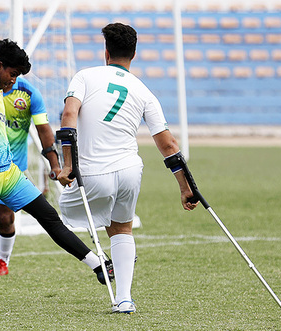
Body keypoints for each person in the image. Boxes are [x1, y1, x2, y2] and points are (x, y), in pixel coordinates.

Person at [0, 40, 111, 287]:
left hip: (9, 171)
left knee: (49, 217)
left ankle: (99, 264)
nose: (13, 81)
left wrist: (54, 163)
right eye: (12, 74)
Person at [57, 23, 197, 314]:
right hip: (130, 171)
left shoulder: (85, 76)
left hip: (93, 173)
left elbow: (69, 114)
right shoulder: (145, 91)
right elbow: (169, 145)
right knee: (122, 228)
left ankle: (98, 265)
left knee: (63, 216)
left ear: (106, 52)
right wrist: (186, 188)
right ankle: (124, 299)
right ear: (134, 54)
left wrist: (67, 164)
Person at [0, 40, 61, 277]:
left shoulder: (27, 92)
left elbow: (44, 129)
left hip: (13, 165)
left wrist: (53, 164)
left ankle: (2, 262)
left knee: (5, 217)